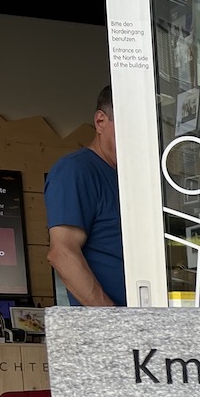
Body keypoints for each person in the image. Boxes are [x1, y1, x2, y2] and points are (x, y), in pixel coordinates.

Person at [44, 85, 126, 307]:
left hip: (149, 321)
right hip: (112, 325)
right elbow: (62, 253)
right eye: (129, 125)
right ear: (100, 121)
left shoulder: (130, 180)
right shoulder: (75, 170)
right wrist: (112, 319)